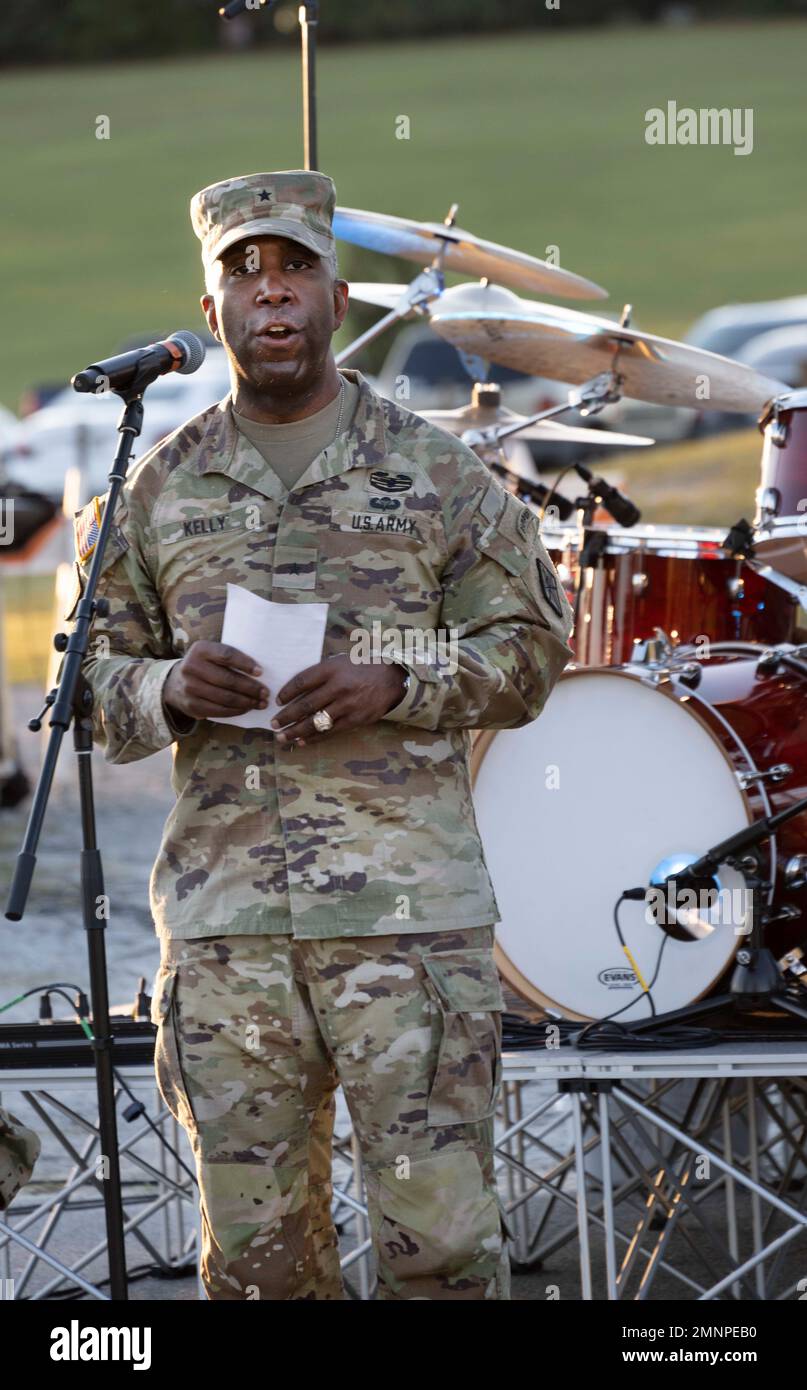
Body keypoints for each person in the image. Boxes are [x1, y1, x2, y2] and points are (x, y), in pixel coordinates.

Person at [68, 169, 575, 1300]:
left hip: (411, 927)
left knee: (440, 1255)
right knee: (259, 1269)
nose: (272, 293)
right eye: (242, 274)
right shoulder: (154, 488)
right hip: (229, 930)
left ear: (338, 298)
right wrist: (169, 686)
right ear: (212, 316)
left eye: (294, 266)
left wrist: (392, 680)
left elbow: (535, 651)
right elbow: (81, 687)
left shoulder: (442, 472)